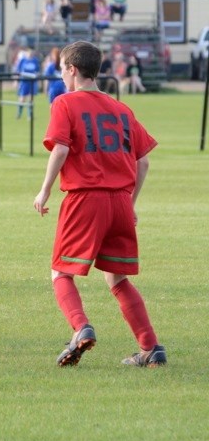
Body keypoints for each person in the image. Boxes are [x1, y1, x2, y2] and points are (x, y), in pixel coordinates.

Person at [33, 40, 166, 368]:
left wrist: (44, 191)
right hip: (120, 201)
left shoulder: (65, 104)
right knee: (117, 278)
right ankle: (150, 348)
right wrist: (131, 202)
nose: (61, 75)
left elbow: (61, 149)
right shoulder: (121, 108)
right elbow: (143, 161)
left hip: (85, 199)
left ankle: (81, 328)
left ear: (73, 70)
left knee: (60, 272)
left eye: (62, 69)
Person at [15, 48, 40, 119]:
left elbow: (37, 71)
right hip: (24, 82)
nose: (30, 54)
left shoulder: (35, 60)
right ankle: (19, 113)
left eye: (32, 52)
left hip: (32, 81)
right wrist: (16, 81)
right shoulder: (23, 60)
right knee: (22, 98)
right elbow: (18, 71)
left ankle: (30, 115)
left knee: (31, 98)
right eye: (29, 52)